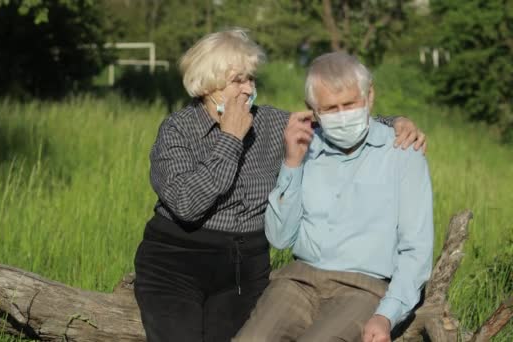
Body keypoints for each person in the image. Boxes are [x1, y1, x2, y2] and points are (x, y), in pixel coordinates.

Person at [133, 29, 427, 342]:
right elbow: (187, 204)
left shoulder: (269, 123)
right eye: (237, 81)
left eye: (251, 79)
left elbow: (333, 119)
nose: (248, 89)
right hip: (178, 260)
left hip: (243, 268)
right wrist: (230, 139)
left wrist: (397, 122)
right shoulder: (177, 130)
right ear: (208, 85)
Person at [233, 51, 434, 342]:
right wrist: (291, 164)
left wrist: (386, 314)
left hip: (364, 288)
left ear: (369, 96)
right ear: (312, 110)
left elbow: (415, 249)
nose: (342, 116)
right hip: (298, 280)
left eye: (350, 104)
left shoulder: (403, 153)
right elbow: (279, 238)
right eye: (330, 108)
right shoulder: (304, 146)